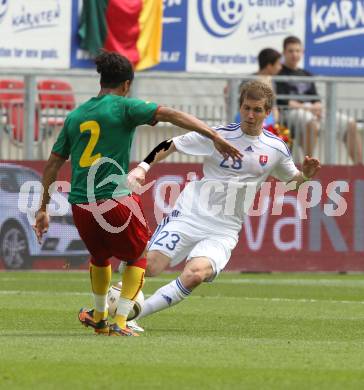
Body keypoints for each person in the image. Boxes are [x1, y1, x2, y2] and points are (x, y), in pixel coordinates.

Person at [32, 51, 241, 337]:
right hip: (114, 200)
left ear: (101, 81)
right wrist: (214, 135)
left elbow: (52, 165)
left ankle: (100, 316)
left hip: (80, 205)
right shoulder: (124, 107)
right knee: (139, 256)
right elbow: (172, 115)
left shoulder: (75, 116)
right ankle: (120, 322)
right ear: (127, 84)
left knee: (100, 258)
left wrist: (43, 208)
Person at [124, 80, 321, 323]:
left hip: (225, 228)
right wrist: (143, 167)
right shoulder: (218, 136)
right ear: (240, 107)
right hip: (192, 214)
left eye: (257, 110)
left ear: (267, 113)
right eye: (246, 108)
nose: (250, 115)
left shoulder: (276, 148)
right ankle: (113, 298)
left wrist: (307, 176)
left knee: (195, 275)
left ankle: (129, 316)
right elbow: (171, 144)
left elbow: (291, 183)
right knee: (151, 266)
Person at [276, 35, 362, 163]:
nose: (294, 54)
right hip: (290, 113)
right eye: (291, 51)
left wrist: (316, 108)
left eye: (297, 51)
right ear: (284, 53)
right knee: (310, 122)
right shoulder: (279, 72)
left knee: (351, 124)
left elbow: (316, 99)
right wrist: (308, 108)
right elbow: (283, 101)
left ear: (302, 52)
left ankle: (359, 168)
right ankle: (308, 166)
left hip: (312, 111)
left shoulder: (306, 74)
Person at [235, 48, 282, 126]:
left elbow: (273, 105)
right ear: (269, 66)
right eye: (278, 64)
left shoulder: (272, 81)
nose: (280, 67)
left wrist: (275, 122)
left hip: (268, 122)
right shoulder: (249, 81)